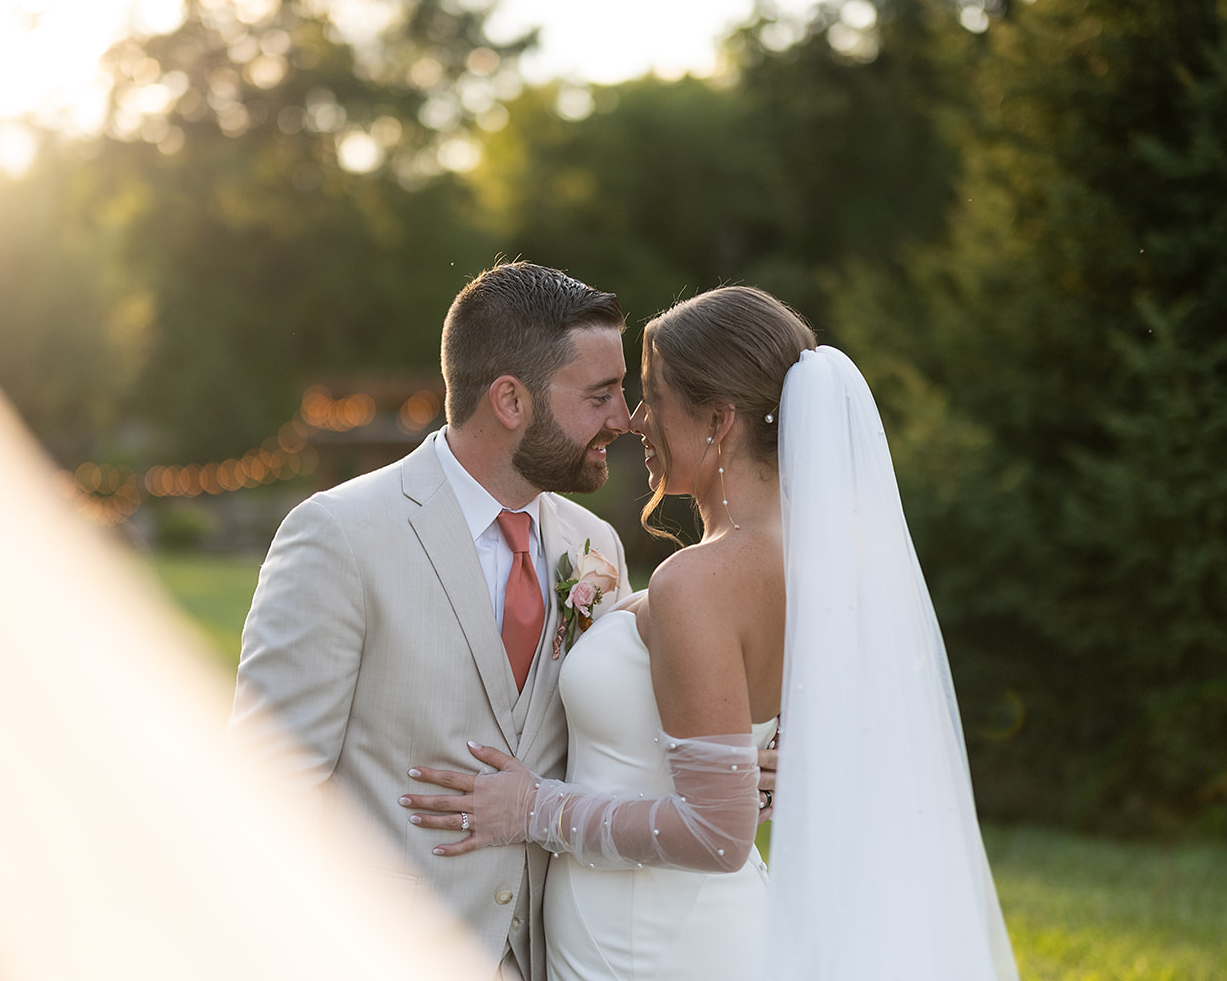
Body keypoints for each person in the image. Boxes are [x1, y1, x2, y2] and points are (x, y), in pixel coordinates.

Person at [402, 286, 1019, 980]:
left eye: (653, 397)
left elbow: (717, 832)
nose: (636, 422)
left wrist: (531, 807)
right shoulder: (817, 565)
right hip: (675, 929)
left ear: (719, 420)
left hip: (651, 948)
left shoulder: (699, 580)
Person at [231, 261, 628, 981]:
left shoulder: (595, 547)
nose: (623, 418)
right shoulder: (341, 534)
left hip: (556, 957)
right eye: (600, 395)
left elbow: (618, 737)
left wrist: (739, 754)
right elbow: (268, 786)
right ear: (510, 399)